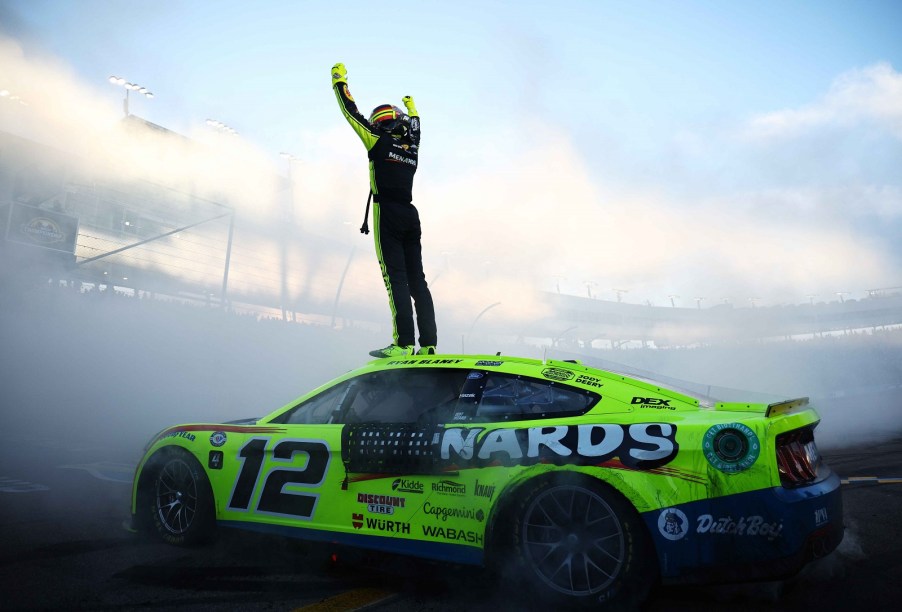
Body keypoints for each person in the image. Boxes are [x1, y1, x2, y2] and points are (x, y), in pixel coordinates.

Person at [331, 62, 437, 358]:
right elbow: (416, 128)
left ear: (381, 124)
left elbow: (351, 113)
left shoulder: (377, 141)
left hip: (387, 214)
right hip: (411, 216)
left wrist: (339, 82)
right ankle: (428, 344)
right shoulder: (412, 148)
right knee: (418, 281)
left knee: (396, 280)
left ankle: (403, 345)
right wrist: (412, 109)